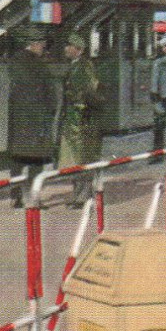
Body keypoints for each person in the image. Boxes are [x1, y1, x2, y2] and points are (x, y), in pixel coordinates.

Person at [5, 25, 58, 206]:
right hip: (37, 121)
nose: (43, 49)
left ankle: (15, 197)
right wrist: (51, 112)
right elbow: (49, 95)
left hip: (18, 121)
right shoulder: (39, 65)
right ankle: (34, 198)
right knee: (36, 162)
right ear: (35, 44)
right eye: (42, 45)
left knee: (17, 162)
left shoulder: (14, 62)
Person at [58, 33, 104, 205]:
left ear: (77, 49)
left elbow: (88, 93)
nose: (65, 49)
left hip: (81, 121)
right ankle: (79, 196)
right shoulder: (76, 65)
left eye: (68, 46)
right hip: (74, 121)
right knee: (75, 159)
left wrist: (75, 101)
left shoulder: (84, 67)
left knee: (82, 158)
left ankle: (83, 197)